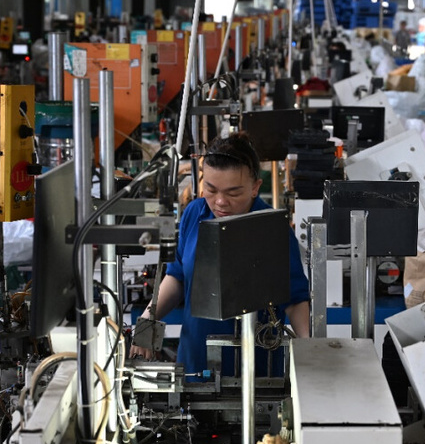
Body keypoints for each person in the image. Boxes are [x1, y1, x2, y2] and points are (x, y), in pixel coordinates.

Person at [130, 133, 310, 377]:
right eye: (211, 190)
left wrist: (310, 350)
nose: (220, 202)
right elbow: (178, 277)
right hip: (196, 364)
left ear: (255, 187)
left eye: (233, 193)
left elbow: (296, 299)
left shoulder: (272, 228)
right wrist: (147, 322)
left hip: (257, 373)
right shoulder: (195, 213)